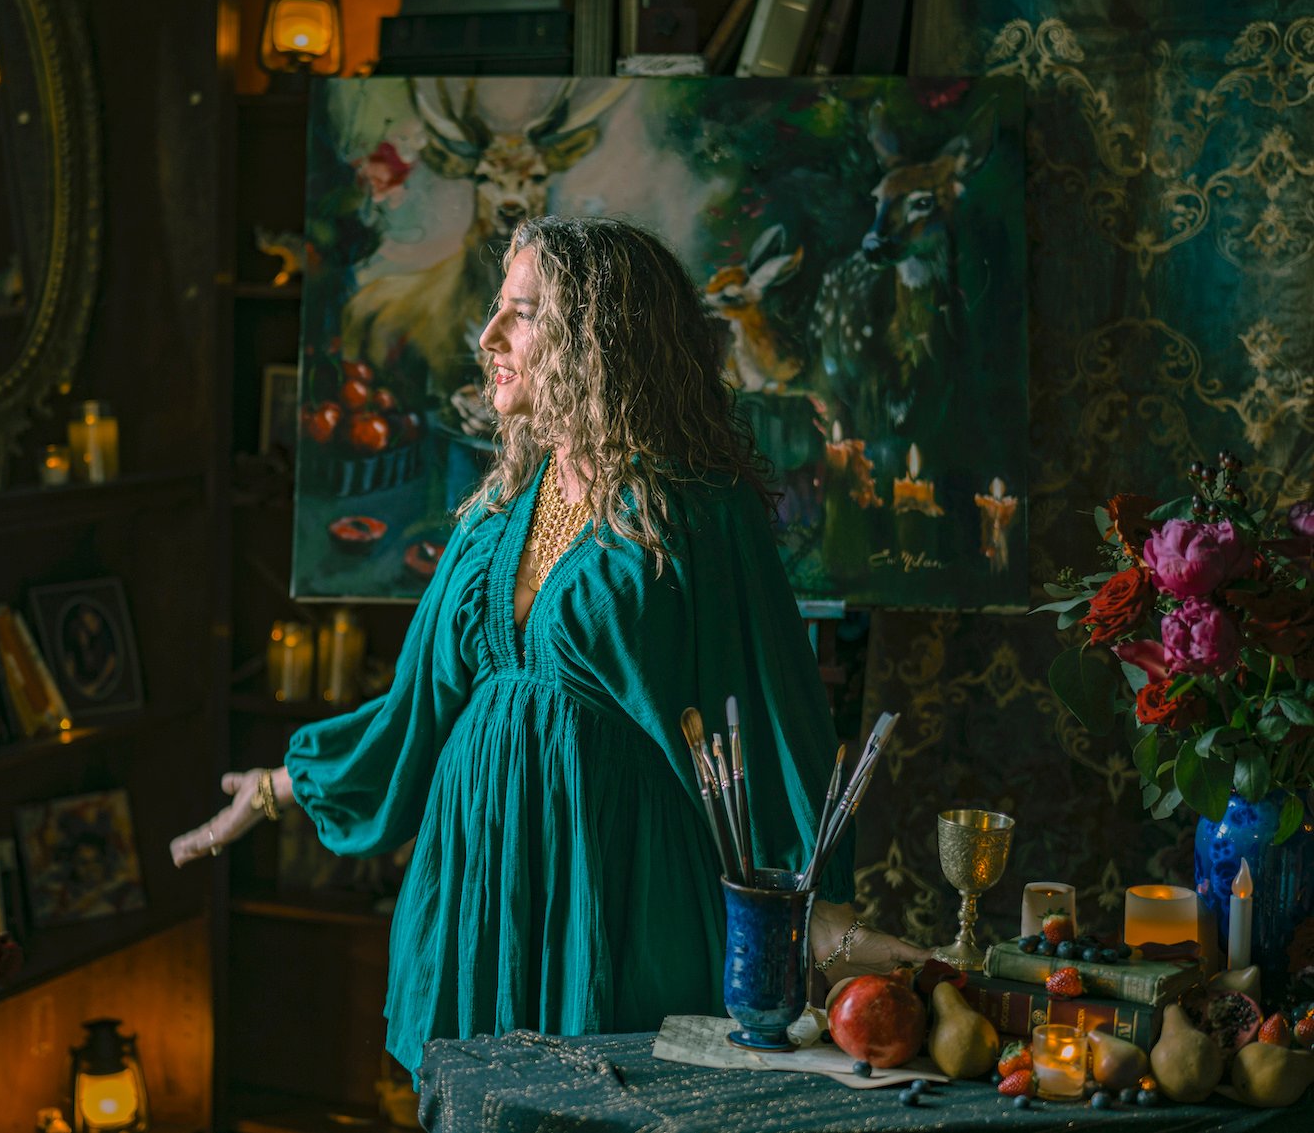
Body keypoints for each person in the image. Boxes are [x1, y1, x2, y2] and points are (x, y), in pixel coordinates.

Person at [172, 216, 923, 1075]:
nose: (489, 335)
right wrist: (274, 787)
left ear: (597, 340)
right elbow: (412, 714)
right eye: (496, 310)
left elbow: (770, 715)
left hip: (616, 892)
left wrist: (816, 908)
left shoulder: (698, 513)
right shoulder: (492, 517)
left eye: (521, 313)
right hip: (479, 892)